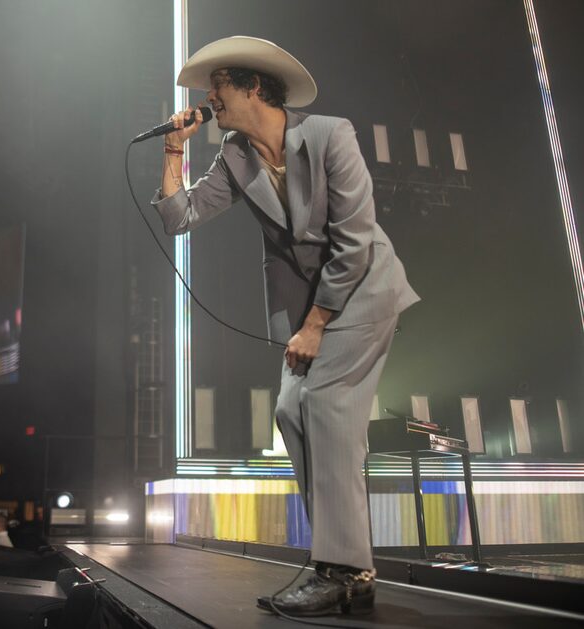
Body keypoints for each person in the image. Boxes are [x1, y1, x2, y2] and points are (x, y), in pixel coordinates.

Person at [153, 36, 419, 616]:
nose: (208, 97)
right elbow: (180, 217)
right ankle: (340, 564)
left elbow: (353, 241)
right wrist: (174, 152)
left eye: (217, 85)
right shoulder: (235, 156)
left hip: (364, 290)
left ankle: (344, 569)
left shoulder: (329, 134)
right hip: (310, 309)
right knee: (290, 412)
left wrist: (317, 324)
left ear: (252, 86)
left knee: (324, 407)